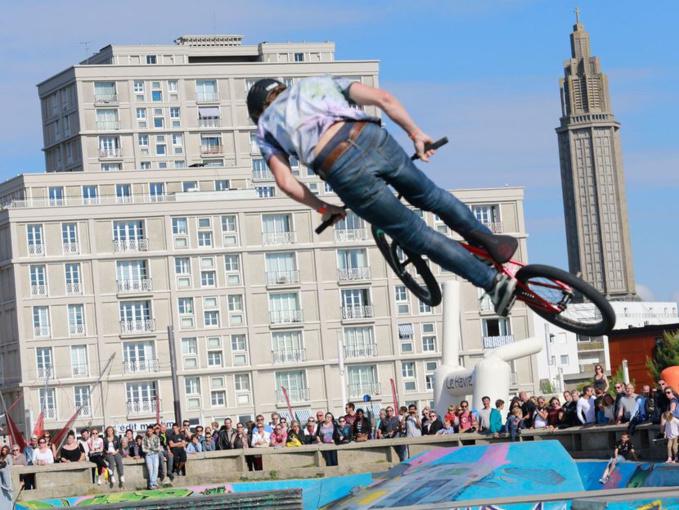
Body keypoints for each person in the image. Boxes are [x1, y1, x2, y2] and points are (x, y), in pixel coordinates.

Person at [247, 77, 519, 318]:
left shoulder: (266, 129)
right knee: (431, 195)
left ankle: (493, 283)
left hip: (341, 168)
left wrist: (323, 207)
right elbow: (383, 98)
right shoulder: (314, 83)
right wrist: (416, 134)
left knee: (417, 235)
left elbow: (285, 182)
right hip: (371, 137)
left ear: (259, 111)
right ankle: (489, 242)